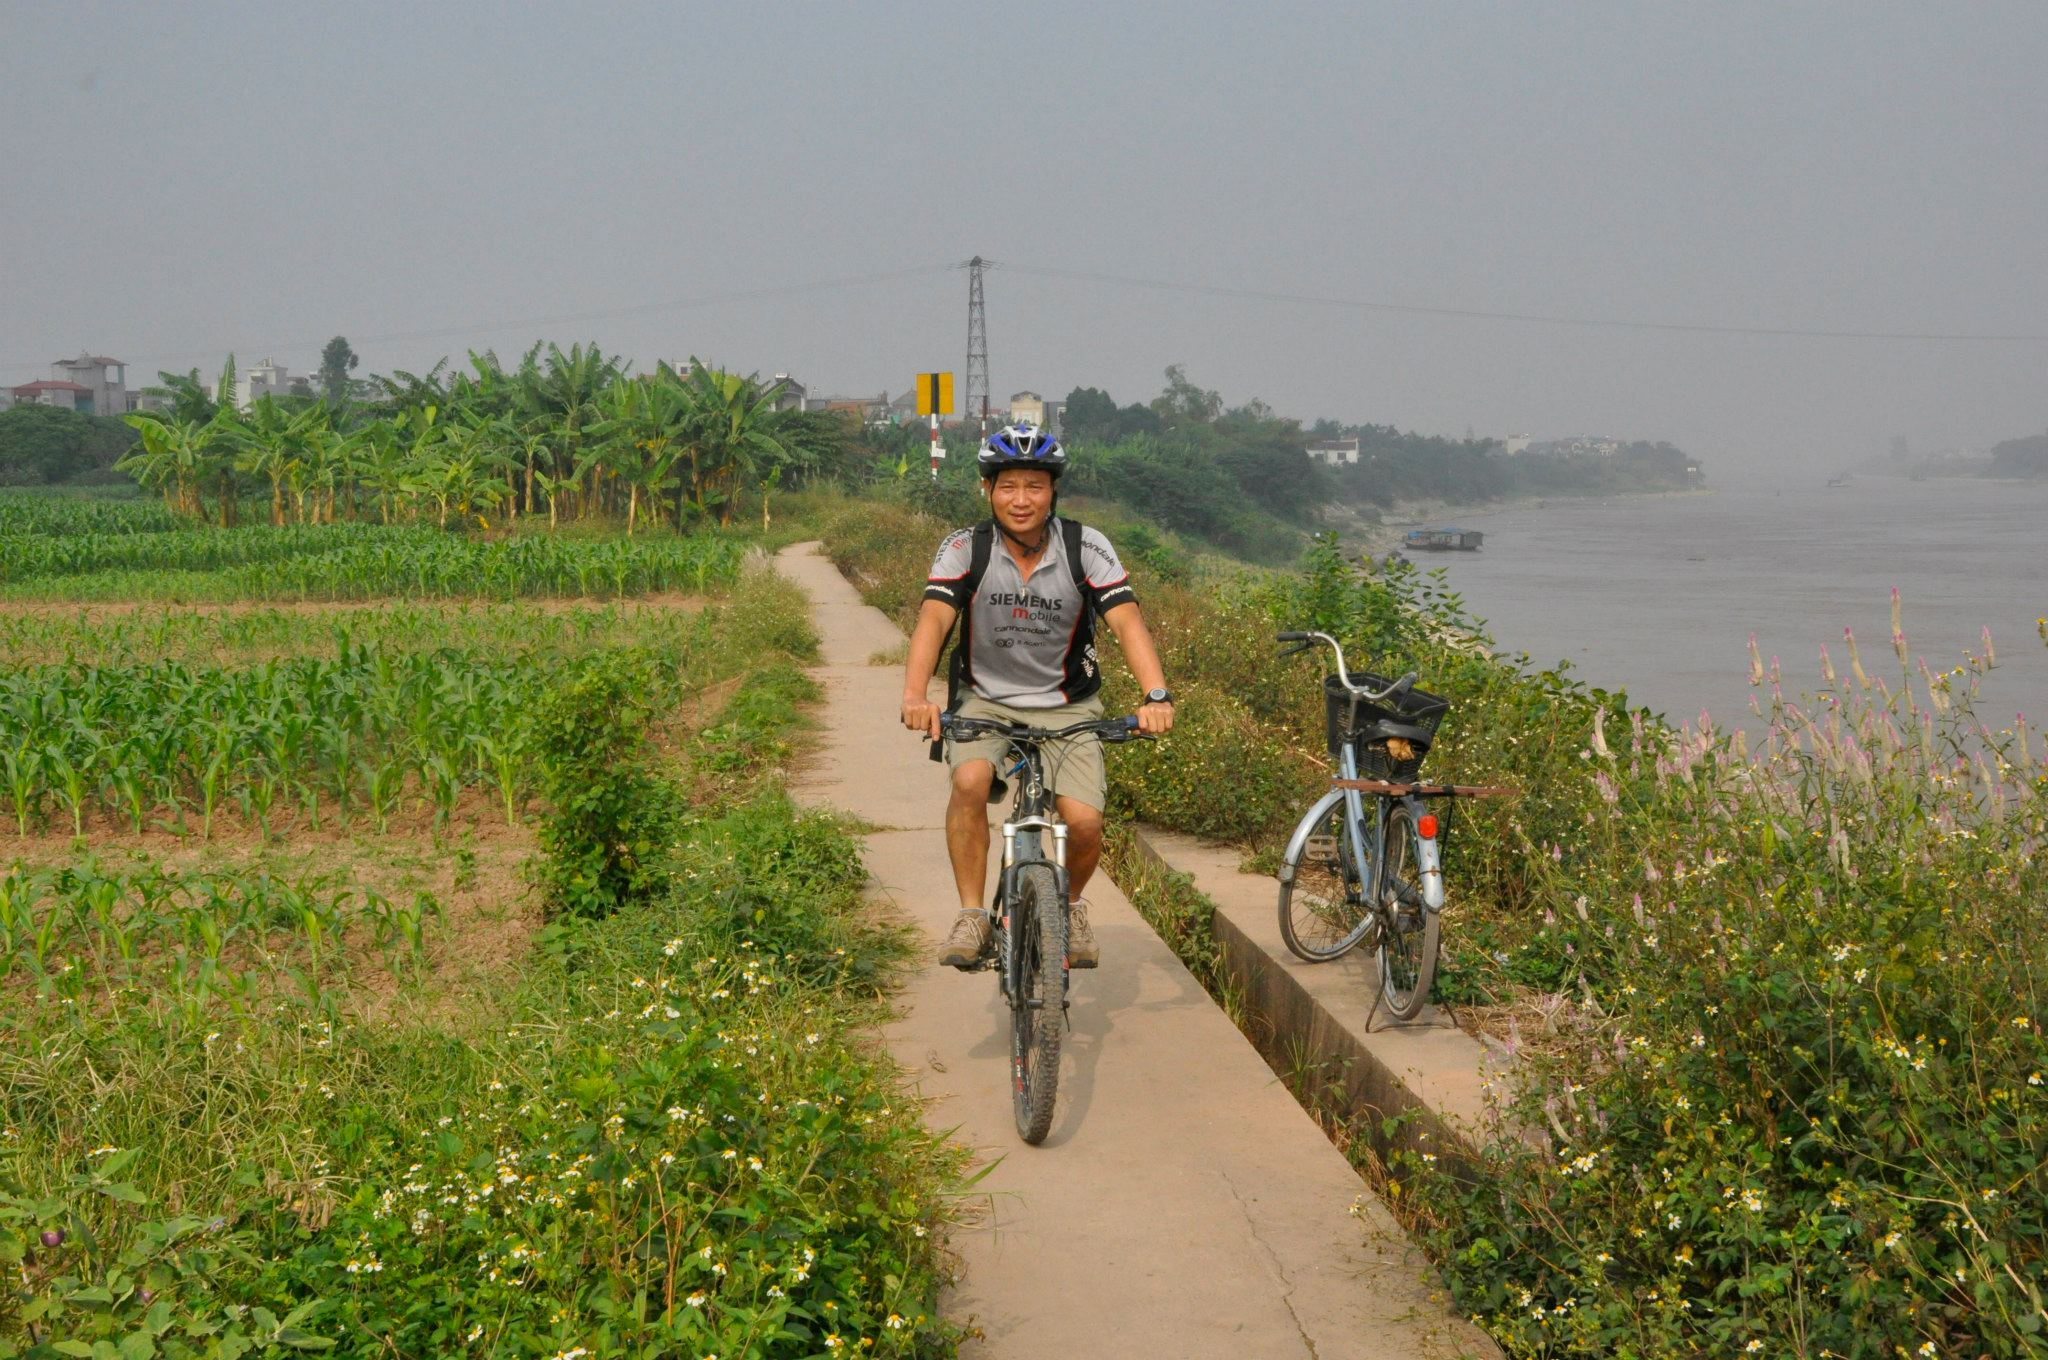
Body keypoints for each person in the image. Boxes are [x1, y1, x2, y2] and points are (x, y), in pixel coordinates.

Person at [900, 424, 1175, 970]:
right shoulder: (965, 548)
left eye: (1034, 486)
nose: (1020, 499)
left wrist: (1156, 695)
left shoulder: (1085, 547)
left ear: (1053, 492)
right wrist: (915, 694)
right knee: (970, 781)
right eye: (1007, 486)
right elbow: (934, 619)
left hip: (1068, 706)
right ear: (987, 489)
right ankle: (973, 914)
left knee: (1086, 822)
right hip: (985, 701)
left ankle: (1068, 907)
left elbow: (1127, 623)